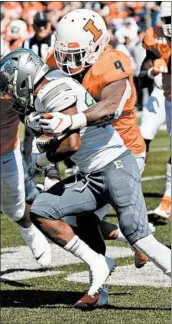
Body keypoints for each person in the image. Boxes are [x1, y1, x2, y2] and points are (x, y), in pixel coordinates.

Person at [2, 47, 170, 309]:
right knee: (44, 209)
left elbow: (72, 144)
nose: (10, 95)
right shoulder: (44, 90)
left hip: (114, 164)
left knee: (137, 233)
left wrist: (43, 160)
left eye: (11, 87)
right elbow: (53, 139)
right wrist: (45, 159)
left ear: (24, 78)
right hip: (90, 175)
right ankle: (98, 267)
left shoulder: (53, 90)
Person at [0, 48, 116, 301]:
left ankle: (30, 228)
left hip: (7, 155)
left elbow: (53, 132)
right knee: (72, 216)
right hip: (93, 166)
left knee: (21, 209)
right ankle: (113, 250)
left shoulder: (31, 88)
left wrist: (46, 162)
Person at [0, 40, 52, 268]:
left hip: (5, 151)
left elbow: (18, 91)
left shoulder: (11, 79)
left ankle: (28, 229)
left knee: (16, 208)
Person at [139, 1, 171, 219]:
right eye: (167, 21)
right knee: (141, 141)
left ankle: (167, 200)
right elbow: (142, 72)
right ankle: (130, 191)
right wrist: (152, 71)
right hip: (161, 96)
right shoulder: (154, 37)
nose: (169, 26)